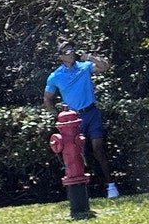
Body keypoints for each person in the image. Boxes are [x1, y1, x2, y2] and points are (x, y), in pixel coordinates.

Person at [43, 40, 119, 198]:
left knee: (98, 148)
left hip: (92, 112)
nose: (70, 53)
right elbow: (47, 99)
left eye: (71, 49)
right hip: (73, 119)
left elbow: (105, 67)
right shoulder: (55, 76)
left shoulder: (84, 67)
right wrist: (59, 116)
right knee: (78, 154)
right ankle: (84, 190)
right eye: (66, 51)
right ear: (60, 57)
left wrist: (89, 57)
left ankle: (111, 186)